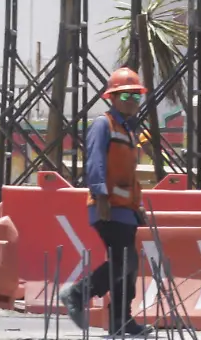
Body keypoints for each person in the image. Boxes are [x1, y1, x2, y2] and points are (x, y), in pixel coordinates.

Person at [62, 68, 151, 337]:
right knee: (124, 262)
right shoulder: (104, 125)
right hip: (108, 206)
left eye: (136, 95)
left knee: (128, 264)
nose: (132, 100)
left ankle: (120, 321)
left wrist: (137, 207)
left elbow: (127, 174)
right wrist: (100, 195)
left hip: (125, 209)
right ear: (112, 98)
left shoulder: (128, 131)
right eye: (126, 95)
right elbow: (96, 162)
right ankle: (78, 293)